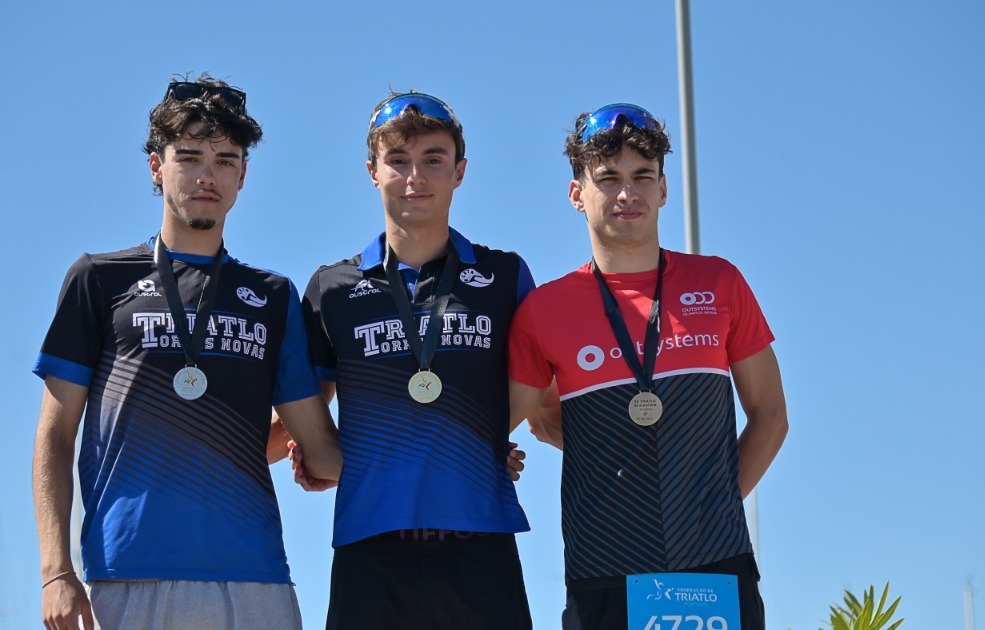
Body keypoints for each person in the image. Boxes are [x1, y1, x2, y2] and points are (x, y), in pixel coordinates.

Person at [31, 74, 341, 630]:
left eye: (226, 159)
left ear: (243, 174)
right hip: (124, 576)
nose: (207, 175)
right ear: (157, 166)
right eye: (190, 156)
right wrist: (56, 571)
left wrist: (469, 457)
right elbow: (55, 434)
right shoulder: (98, 280)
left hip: (255, 579)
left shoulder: (272, 297)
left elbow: (318, 444)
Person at [507, 103, 788, 630]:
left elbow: (771, 415)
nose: (626, 194)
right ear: (577, 195)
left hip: (716, 560)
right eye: (608, 178)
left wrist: (712, 502)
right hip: (603, 564)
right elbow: (531, 420)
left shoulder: (721, 282)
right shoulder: (544, 310)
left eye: (643, 177)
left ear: (663, 189)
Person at [297, 91, 534, 629]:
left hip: (481, 548)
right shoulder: (331, 288)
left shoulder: (505, 277)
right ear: (372, 171)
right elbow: (305, 415)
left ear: (460, 171)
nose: (415, 177)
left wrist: (485, 440)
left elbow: (535, 392)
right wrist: (311, 455)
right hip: (371, 552)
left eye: (433, 159)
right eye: (398, 161)